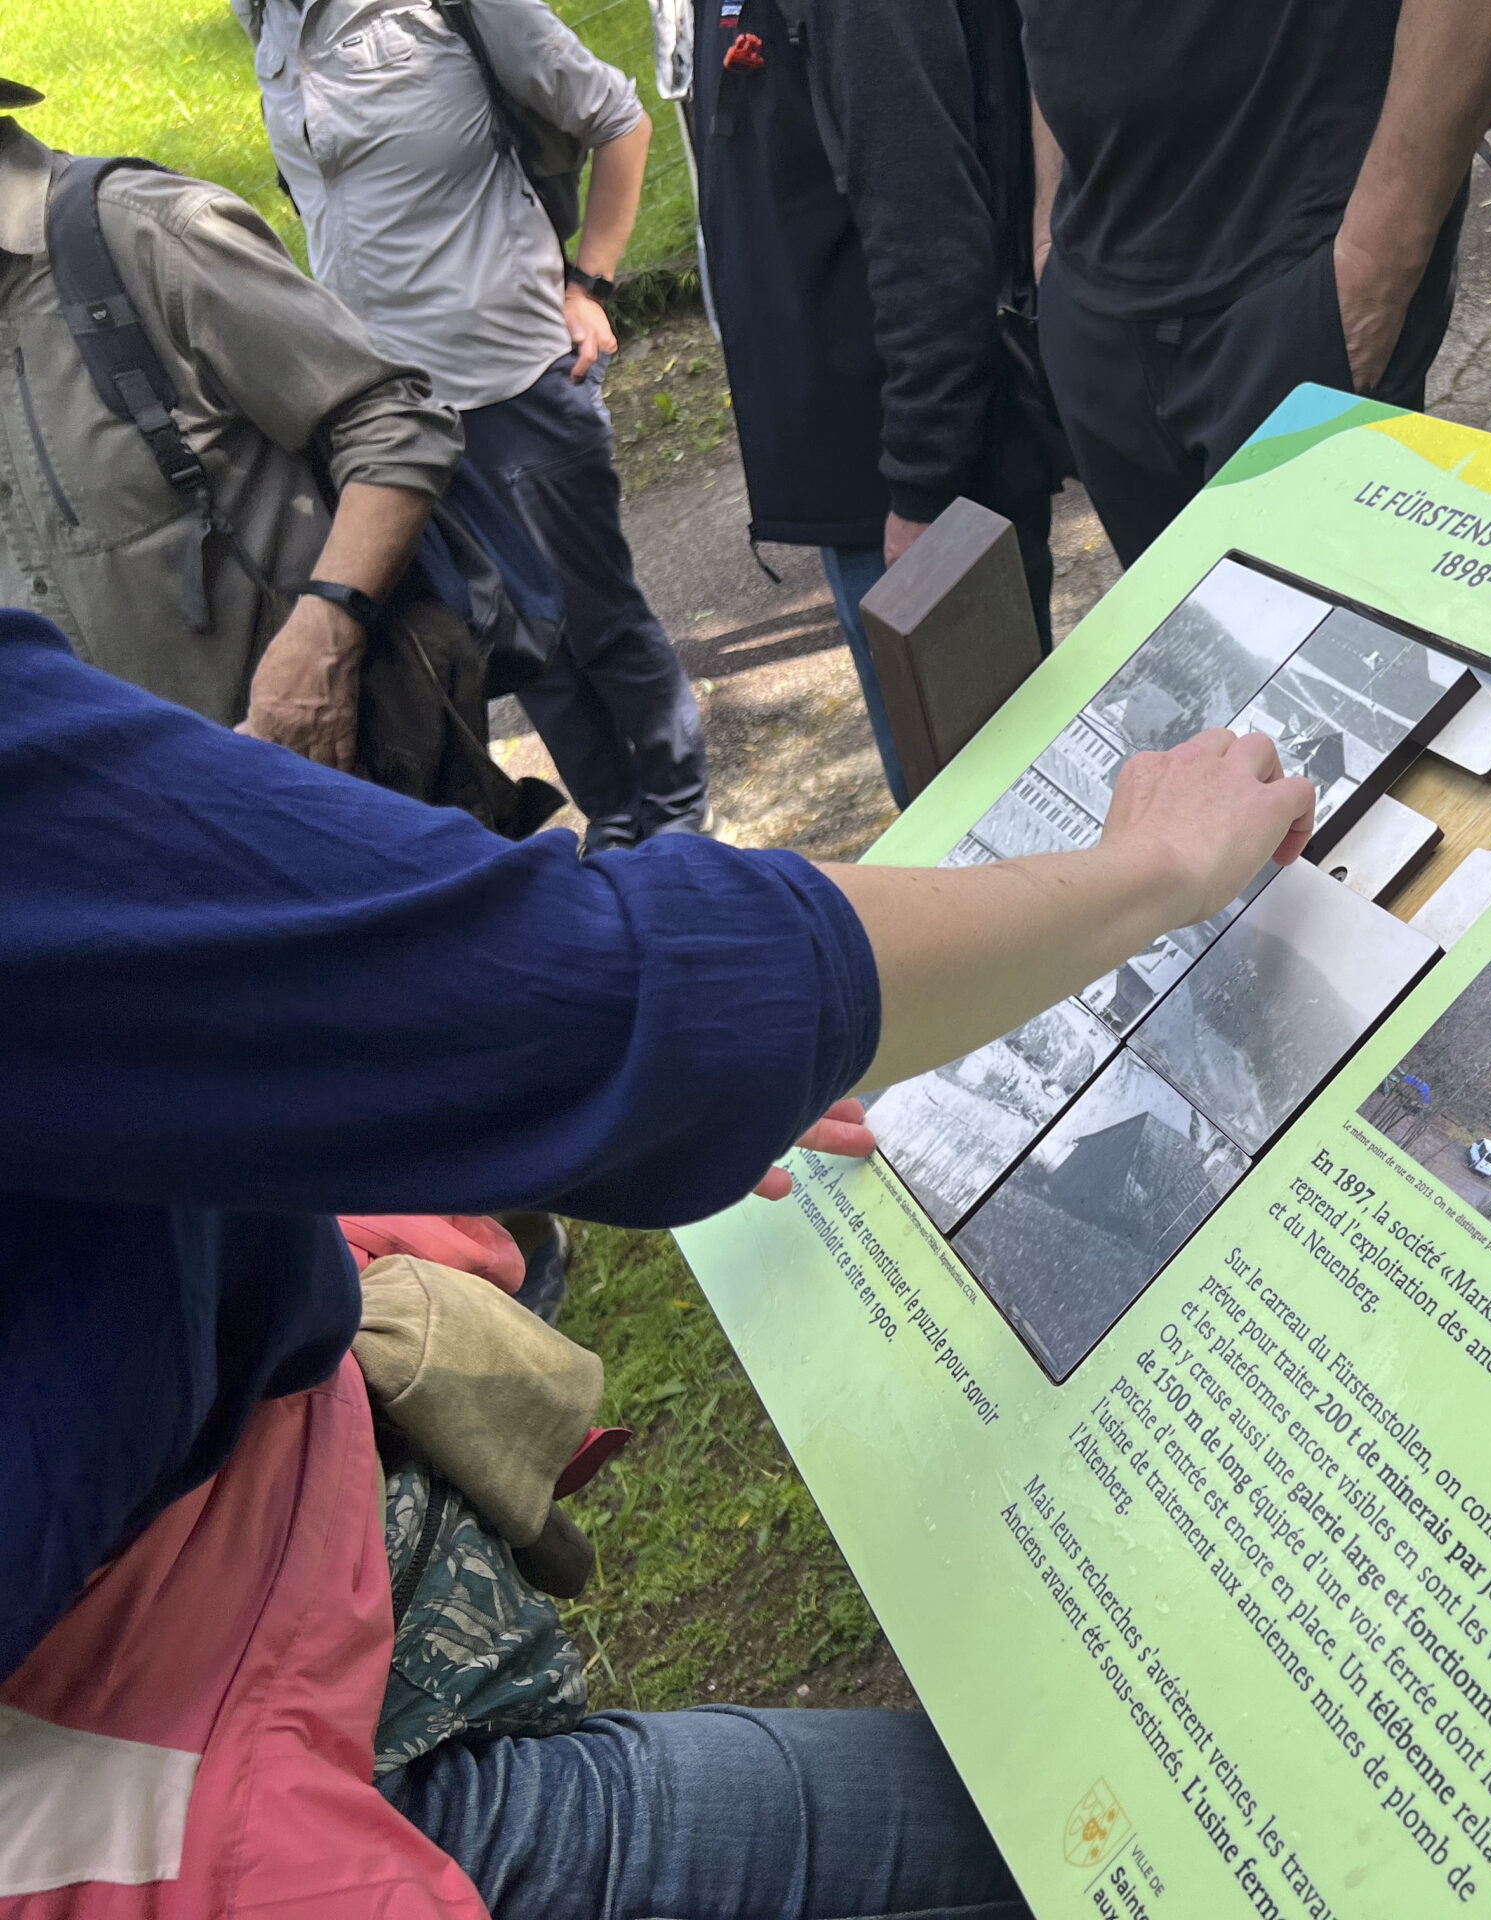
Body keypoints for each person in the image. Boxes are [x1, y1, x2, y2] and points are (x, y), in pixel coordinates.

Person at [0, 601, 1314, 1917]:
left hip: (249, 1612)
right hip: (191, 1793)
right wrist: (1147, 872)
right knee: (1103, 1861)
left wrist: (566, 1099)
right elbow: (598, 989)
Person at [238, 0, 714, 851]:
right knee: (513, 636)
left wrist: (591, 286)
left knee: (594, 616)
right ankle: (616, 821)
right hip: (391, 416)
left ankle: (679, 822)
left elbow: (618, 120)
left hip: (513, 373)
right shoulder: (267, 18)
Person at [0, 82, 462, 770]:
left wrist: (326, 636)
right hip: (105, 827)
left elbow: (395, 424)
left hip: (305, 778)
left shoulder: (150, 237)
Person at [689, 0, 1062, 811]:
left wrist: (923, 486)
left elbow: (929, 227)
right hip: (867, 480)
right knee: (958, 805)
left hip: (919, 490)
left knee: (988, 812)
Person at [1021, 0, 1491, 566]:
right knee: (1188, 639)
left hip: (1294, 282)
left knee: (1335, 642)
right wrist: (1049, 226)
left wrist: (1373, 268)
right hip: (1092, 296)